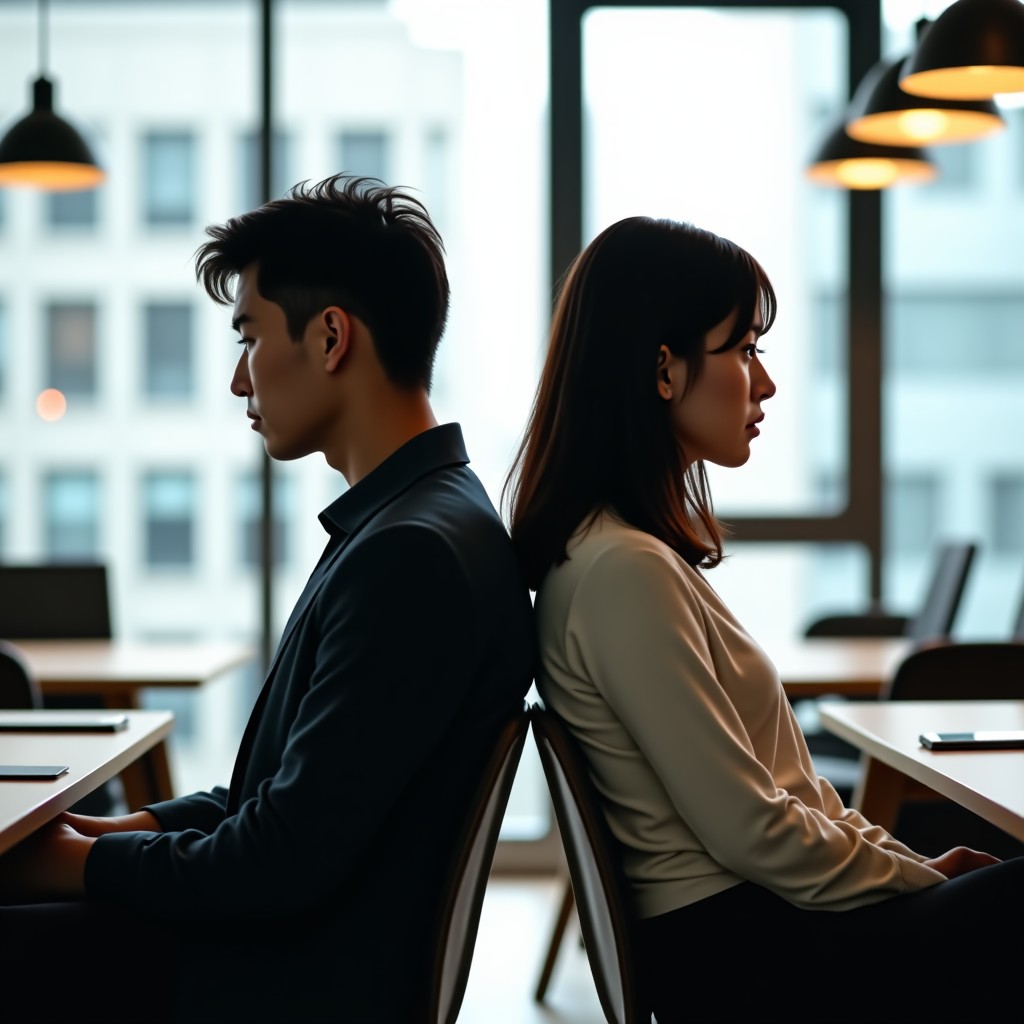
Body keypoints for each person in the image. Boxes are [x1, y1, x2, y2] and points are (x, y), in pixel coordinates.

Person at [0, 175, 536, 1023]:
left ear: (330, 338)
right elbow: (277, 802)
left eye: (248, 337)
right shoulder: (421, 520)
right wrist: (91, 840)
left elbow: (278, 858)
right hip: (281, 953)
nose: (239, 382)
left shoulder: (411, 556)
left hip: (272, 983)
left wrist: (68, 863)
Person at [504, 215, 1023, 1024]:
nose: (766, 384)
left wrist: (909, 862)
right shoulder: (622, 571)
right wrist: (922, 876)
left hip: (764, 932)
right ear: (664, 370)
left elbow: (788, 797)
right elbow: (749, 828)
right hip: (758, 955)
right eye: (745, 350)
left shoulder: (622, 556)